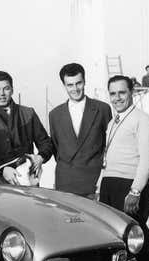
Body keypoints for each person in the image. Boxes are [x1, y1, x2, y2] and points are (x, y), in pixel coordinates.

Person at [97, 75, 149, 261]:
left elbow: (147, 160)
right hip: (111, 185)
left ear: (132, 92)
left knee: (136, 242)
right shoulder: (113, 123)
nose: (117, 98)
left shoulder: (143, 120)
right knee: (115, 242)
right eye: (113, 94)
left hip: (130, 185)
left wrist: (135, 190)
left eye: (122, 93)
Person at [0, 71, 52, 185]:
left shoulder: (28, 113)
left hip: (28, 180)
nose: (2, 93)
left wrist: (41, 157)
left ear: (12, 90)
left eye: (6, 88)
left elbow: (45, 142)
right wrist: (2, 169)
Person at [47, 63, 112, 197]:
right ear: (64, 86)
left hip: (94, 182)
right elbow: (56, 148)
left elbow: (110, 145)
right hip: (65, 183)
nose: (75, 89)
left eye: (79, 83)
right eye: (70, 85)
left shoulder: (102, 109)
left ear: (84, 82)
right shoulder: (54, 114)